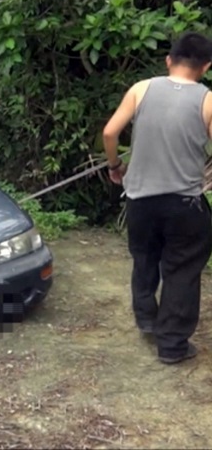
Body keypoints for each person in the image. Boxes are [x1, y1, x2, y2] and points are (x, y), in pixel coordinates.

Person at [102, 31, 212, 365]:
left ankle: (147, 318)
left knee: (145, 258)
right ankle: (172, 345)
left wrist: (115, 165)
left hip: (140, 200)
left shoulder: (141, 88)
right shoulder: (208, 100)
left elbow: (110, 132)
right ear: (206, 67)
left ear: (169, 60)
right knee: (181, 269)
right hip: (184, 204)